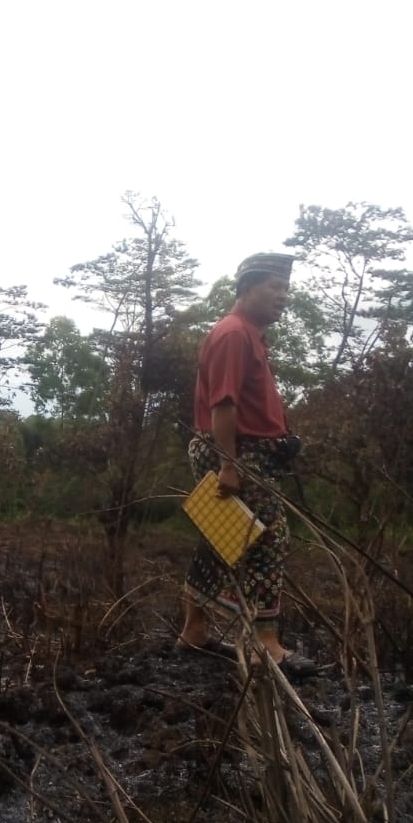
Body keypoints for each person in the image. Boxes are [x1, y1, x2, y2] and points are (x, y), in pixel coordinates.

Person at [179, 252, 316, 677]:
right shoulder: (234, 333)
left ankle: (195, 632)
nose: (283, 297)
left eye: (286, 289)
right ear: (247, 288)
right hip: (238, 454)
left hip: (246, 454)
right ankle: (265, 643)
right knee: (268, 540)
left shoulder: (250, 333)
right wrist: (229, 465)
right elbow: (224, 404)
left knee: (224, 540)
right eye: (275, 288)